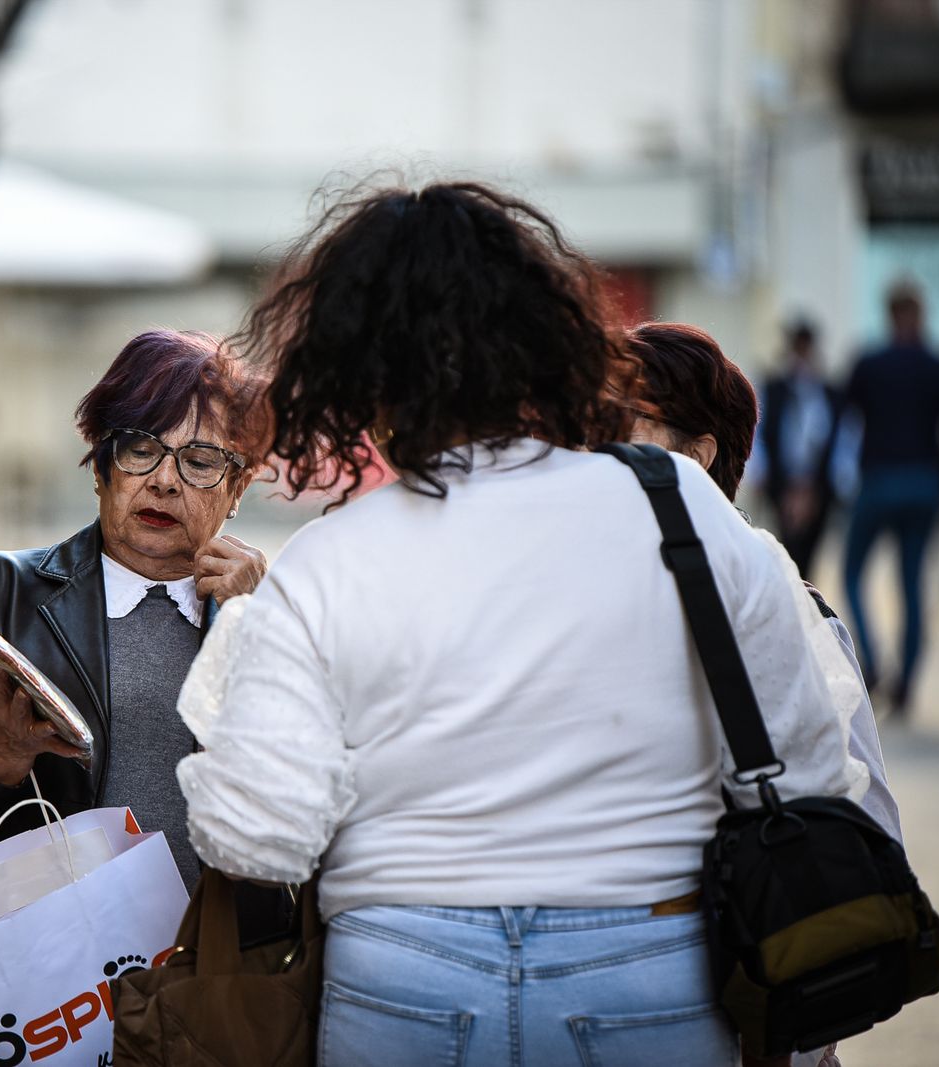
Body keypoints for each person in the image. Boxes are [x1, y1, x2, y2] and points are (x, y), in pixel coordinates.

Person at [175, 182, 863, 1067]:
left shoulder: (329, 561)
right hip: (654, 974)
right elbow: (810, 770)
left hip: (401, 985)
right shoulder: (682, 509)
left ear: (362, 377)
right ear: (549, 340)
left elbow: (255, 836)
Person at [0, 330, 269, 894]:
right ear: (101, 467)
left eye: (200, 460)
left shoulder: (268, 612)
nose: (164, 480)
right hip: (50, 962)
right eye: (141, 449)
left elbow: (314, 796)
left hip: (219, 967)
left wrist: (264, 632)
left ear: (237, 487)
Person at [624, 320, 899, 843]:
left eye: (626, 418)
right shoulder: (575, 585)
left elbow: (868, 826)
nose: (596, 442)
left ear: (694, 458)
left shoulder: (795, 614)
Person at [840, 283, 939, 715]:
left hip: (878, 480)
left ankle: (872, 664)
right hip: (923, 483)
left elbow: (843, 422)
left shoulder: (870, 364)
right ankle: (906, 684)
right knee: (911, 585)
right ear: (922, 313)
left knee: (853, 572)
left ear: (889, 314)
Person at [753, 319, 842, 580]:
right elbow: (760, 432)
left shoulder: (828, 392)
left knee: (810, 555)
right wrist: (762, 473)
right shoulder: (773, 388)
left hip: (818, 483)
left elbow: (837, 439)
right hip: (782, 482)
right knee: (786, 550)